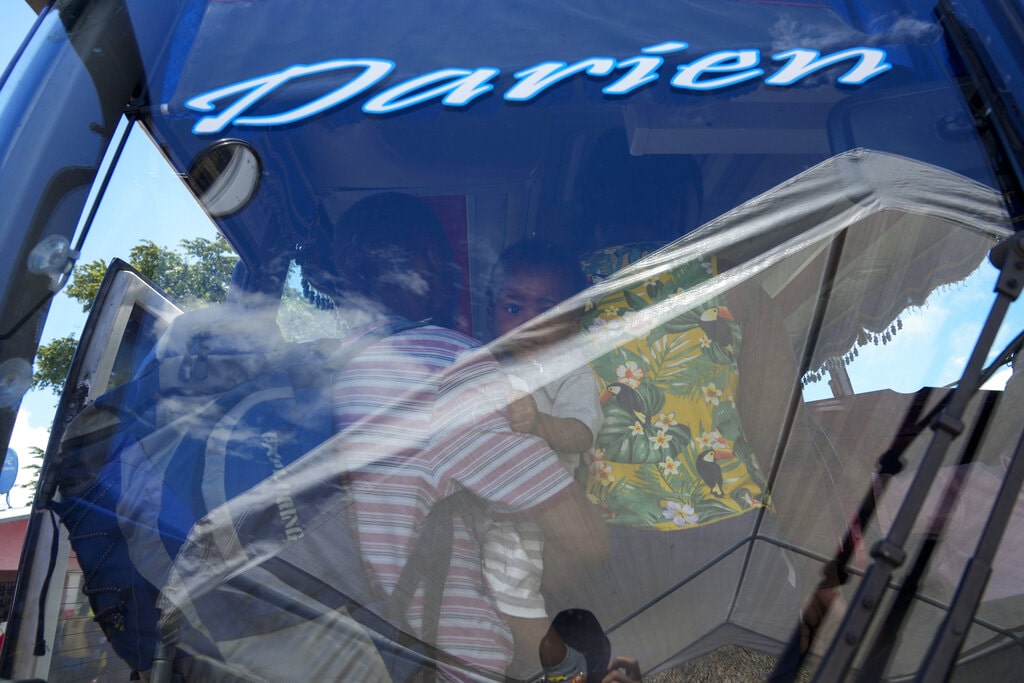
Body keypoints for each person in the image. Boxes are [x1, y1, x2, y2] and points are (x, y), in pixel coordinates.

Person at [310, 193, 610, 680]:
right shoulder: (442, 363)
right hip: (452, 652)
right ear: (433, 259)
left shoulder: (332, 369)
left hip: (358, 639)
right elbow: (586, 541)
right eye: (513, 306)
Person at [483, 240, 605, 678]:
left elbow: (581, 433)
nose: (529, 324)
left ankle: (558, 664)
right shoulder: (485, 364)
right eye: (514, 309)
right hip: (479, 502)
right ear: (493, 310)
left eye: (547, 312)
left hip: (531, 511)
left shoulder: (570, 372)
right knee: (475, 587)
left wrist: (539, 424)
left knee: (511, 592)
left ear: (573, 322)